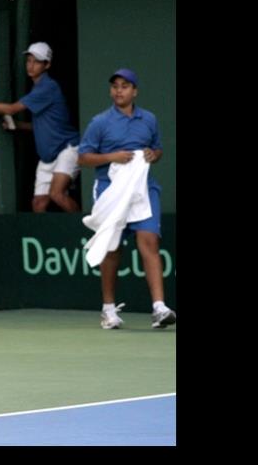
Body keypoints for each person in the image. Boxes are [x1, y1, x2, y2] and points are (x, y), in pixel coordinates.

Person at [77, 68, 176, 330]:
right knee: (112, 248)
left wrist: (154, 155)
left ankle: (159, 307)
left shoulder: (149, 119)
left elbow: (158, 149)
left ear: (135, 91)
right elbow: (83, 158)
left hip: (143, 188)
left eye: (124, 86)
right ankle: (109, 310)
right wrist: (112, 157)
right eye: (115, 86)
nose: (119, 90)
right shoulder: (100, 122)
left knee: (150, 240)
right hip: (110, 189)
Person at [0, 42, 80, 212]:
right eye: (29, 60)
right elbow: (43, 126)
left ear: (47, 65)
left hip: (67, 148)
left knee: (57, 194)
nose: (31, 65)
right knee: (38, 203)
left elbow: (12, 109)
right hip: (48, 155)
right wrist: (18, 126)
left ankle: (86, 232)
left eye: (36, 61)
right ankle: (42, 237)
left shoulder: (48, 87)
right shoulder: (38, 89)